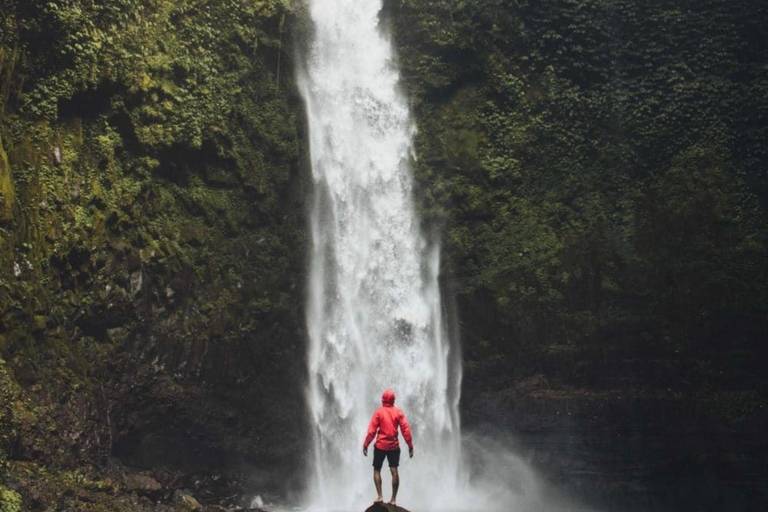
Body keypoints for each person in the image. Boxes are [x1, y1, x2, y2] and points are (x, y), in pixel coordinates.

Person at [363, 389, 414, 506]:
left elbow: (371, 431)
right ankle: (393, 499)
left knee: (377, 469)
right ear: (393, 400)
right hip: (393, 446)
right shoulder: (398, 412)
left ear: (383, 399)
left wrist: (366, 444)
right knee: (394, 470)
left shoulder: (379, 412)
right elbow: (405, 430)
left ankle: (380, 496)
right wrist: (410, 445)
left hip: (380, 446)